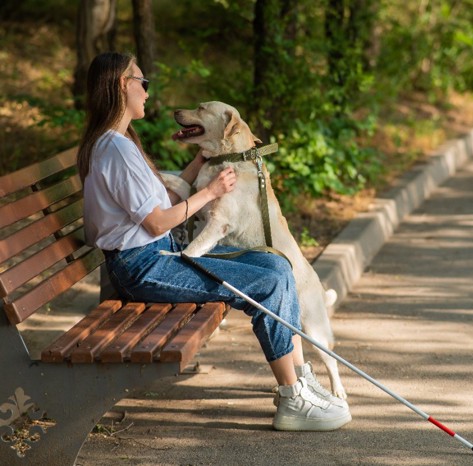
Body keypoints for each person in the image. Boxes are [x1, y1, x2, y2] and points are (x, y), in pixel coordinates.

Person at [77, 51, 351, 431]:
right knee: (268, 281)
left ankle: (301, 382)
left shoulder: (120, 144)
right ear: (123, 85)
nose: (148, 93)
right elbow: (158, 223)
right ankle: (292, 397)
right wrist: (210, 193)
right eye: (143, 83)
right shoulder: (115, 150)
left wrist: (202, 160)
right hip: (144, 266)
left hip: (156, 256)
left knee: (276, 263)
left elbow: (165, 203)